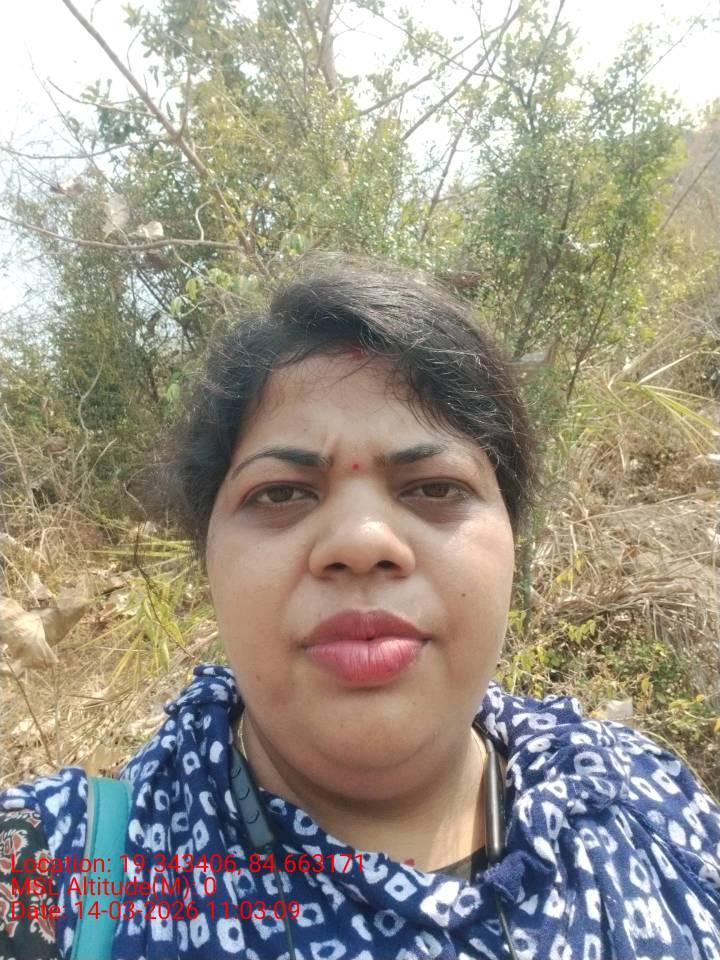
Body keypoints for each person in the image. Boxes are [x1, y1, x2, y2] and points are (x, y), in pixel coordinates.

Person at [1, 259, 719, 960]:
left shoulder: (644, 800)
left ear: (512, 539)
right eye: (281, 493)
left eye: (434, 488)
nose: (362, 541)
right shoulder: (51, 873)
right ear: (207, 557)